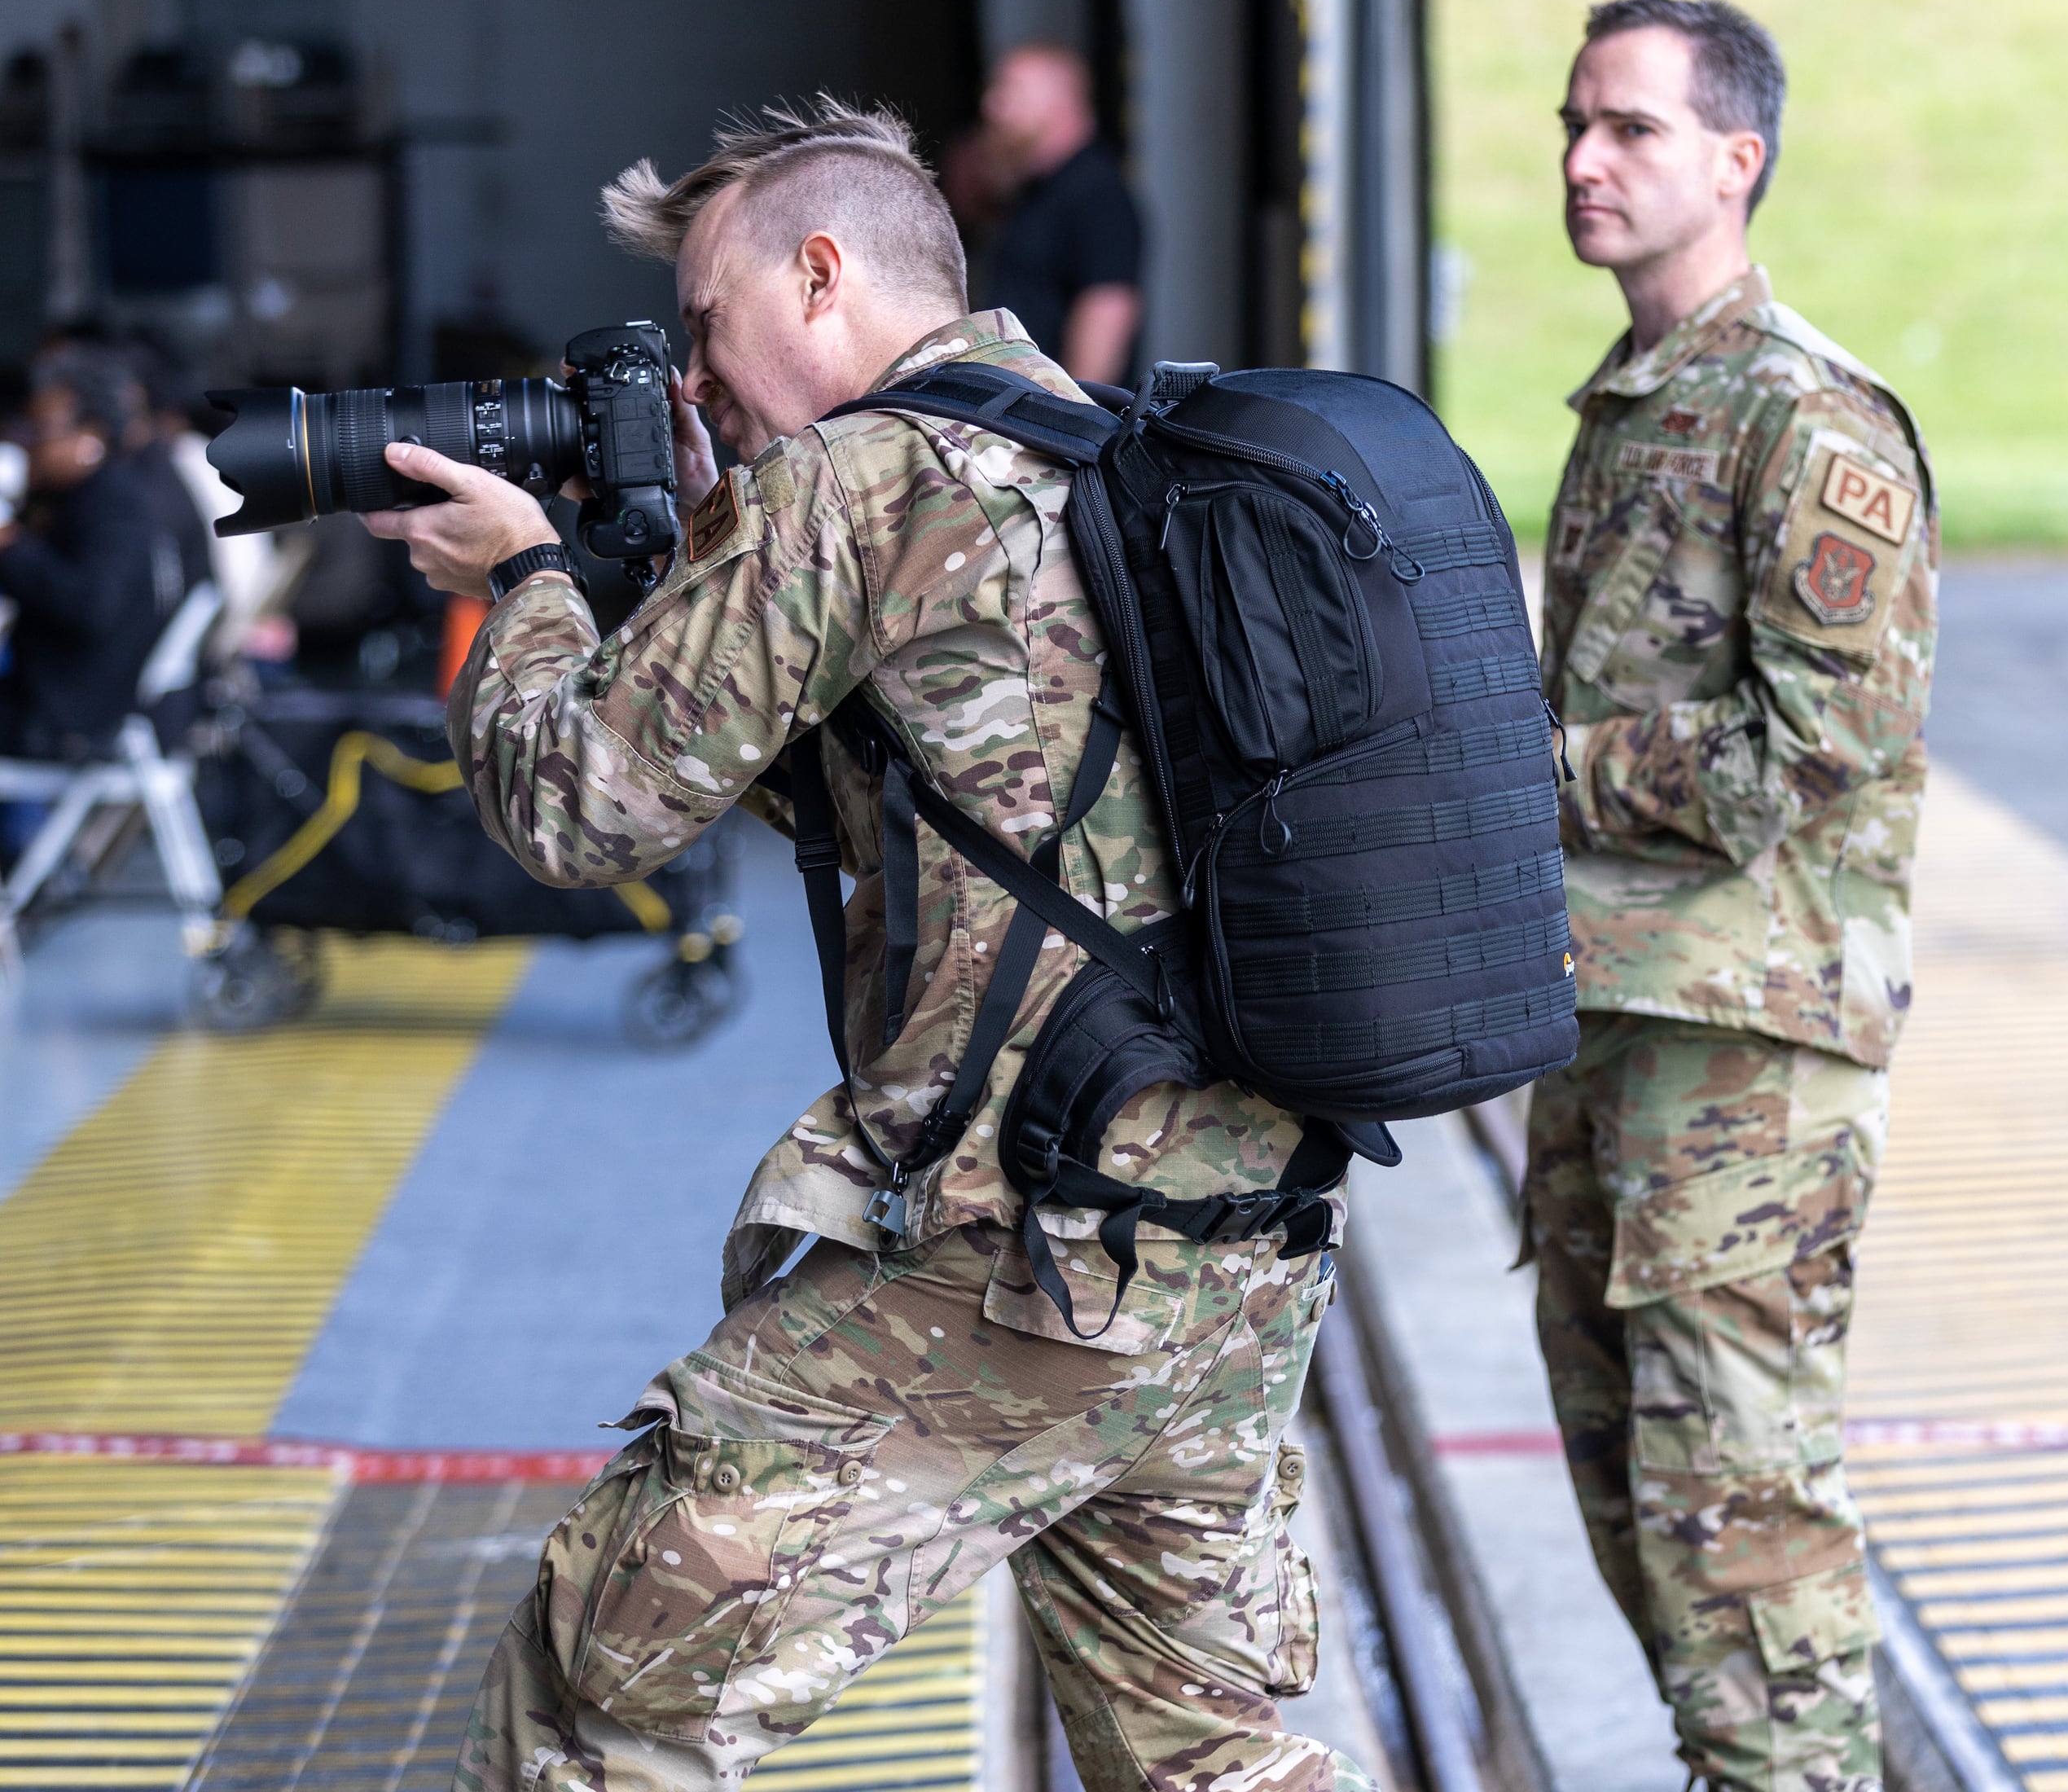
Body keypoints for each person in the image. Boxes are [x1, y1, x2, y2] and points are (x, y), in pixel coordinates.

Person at [354, 100, 1365, 1792]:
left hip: (1022, 1260)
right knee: (1207, 1762)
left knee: (602, 1696)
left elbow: (579, 810)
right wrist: (689, 562)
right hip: (1232, 1248)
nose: (693, 380)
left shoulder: (856, 481)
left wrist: (525, 575)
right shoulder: (1111, 450)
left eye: (702, 322)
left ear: (820, 275)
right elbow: (923, 805)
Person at [1526, 0, 1934, 1792]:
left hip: (1748, 1049)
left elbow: (1817, 749)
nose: (1583, 161)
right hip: (1618, 1019)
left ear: (1735, 159)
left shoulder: (1806, 420)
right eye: (1572, 125)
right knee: (1636, 1497)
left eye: (1627, 128)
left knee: (1740, 1518)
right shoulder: (1634, 407)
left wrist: (1532, 778)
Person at [0, 345, 206, 767]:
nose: (27, 441)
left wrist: (12, 546)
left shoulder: (112, 504)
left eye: (42, 429)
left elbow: (91, 605)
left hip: (71, 715)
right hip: (59, 700)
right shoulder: (88, 496)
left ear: (89, 439)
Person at [972, 42, 1144, 384]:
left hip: (1053, 425)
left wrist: (1074, 421)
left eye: (1010, 92)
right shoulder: (1036, 191)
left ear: (1058, 102)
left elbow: (1107, 314)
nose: (991, 106)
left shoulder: (1096, 192)